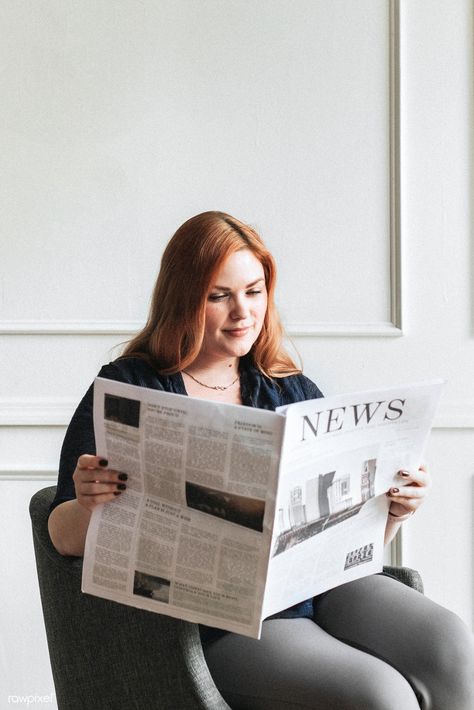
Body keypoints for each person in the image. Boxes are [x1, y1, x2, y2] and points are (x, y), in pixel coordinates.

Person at [48, 211, 474, 709]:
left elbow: (347, 541)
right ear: (183, 298)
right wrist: (90, 503)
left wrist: (392, 512)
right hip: (213, 621)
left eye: (254, 291)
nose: (243, 312)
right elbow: (58, 535)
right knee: (379, 695)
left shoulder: (290, 389)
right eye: (218, 296)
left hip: (324, 588)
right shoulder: (129, 388)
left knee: (451, 645)